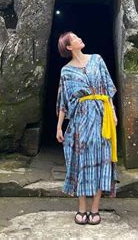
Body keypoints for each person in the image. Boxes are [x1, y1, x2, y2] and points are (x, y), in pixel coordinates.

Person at [56, 31, 118, 226]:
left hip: (102, 116)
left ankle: (95, 209)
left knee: (102, 159)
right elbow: (63, 101)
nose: (79, 38)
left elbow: (107, 89)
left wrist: (113, 112)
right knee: (81, 161)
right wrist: (59, 127)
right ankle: (82, 208)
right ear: (68, 46)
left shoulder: (97, 60)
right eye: (74, 38)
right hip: (80, 121)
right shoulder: (66, 72)